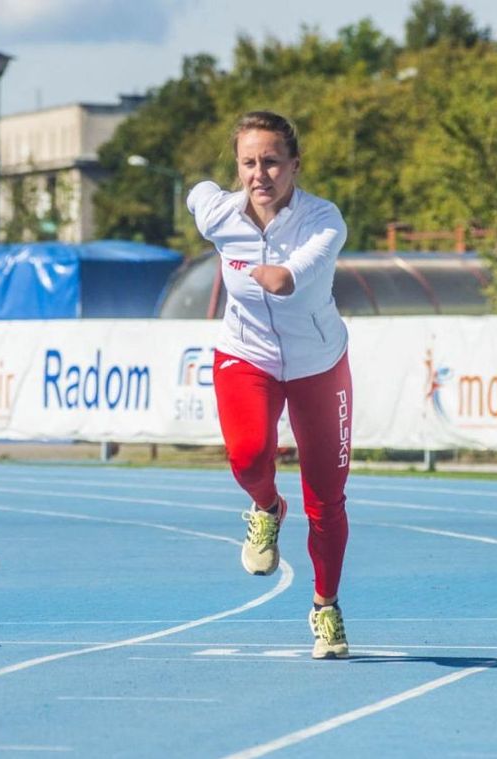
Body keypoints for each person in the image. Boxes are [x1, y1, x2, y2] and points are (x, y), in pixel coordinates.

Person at [187, 111, 352, 659]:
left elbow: (285, 280)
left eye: (272, 162)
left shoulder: (323, 221)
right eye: (248, 163)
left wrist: (263, 270)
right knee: (248, 455)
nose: (260, 175)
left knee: (326, 500)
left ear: (295, 166)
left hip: (317, 362)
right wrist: (206, 201)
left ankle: (325, 607)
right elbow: (198, 193)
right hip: (246, 355)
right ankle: (267, 507)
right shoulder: (219, 213)